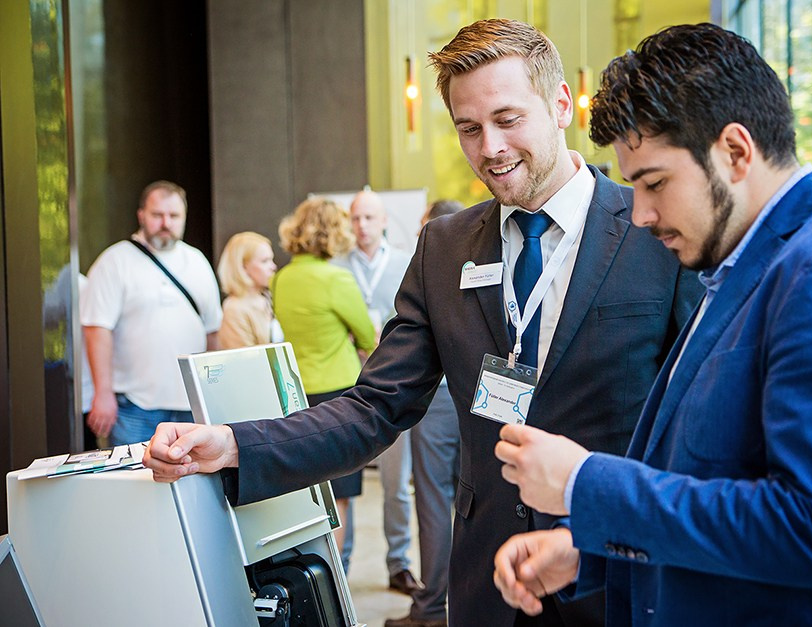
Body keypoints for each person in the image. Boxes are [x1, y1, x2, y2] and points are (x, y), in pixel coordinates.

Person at [144, 19, 700, 627]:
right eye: (469, 128)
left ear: (561, 104)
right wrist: (234, 444)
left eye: (508, 119)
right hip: (488, 585)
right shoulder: (445, 247)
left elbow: (693, 430)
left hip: (616, 580)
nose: (490, 148)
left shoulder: (655, 230)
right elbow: (375, 407)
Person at [492, 23, 812, 626]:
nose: (641, 214)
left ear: (735, 151)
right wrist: (588, 547)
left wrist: (585, 483)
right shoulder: (740, 267)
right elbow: (715, 477)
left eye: (655, 183)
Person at [272, 196, 377, 573]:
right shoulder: (336, 279)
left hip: (296, 393)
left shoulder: (281, 278)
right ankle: (336, 581)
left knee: (307, 495)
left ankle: (311, 580)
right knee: (340, 497)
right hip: (339, 395)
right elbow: (368, 337)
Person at [82, 180, 222, 446]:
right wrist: (102, 393)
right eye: (157, 215)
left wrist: (212, 394)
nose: (166, 223)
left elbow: (212, 332)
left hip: (191, 407)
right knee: (133, 475)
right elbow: (96, 329)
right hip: (134, 408)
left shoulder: (197, 261)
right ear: (141, 215)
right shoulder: (115, 261)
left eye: (174, 216)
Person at [332, 189, 420, 595]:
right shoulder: (336, 268)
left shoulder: (406, 263)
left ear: (384, 221)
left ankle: (399, 563)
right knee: (343, 482)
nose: (362, 225)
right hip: (347, 385)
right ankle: (341, 566)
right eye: (355, 218)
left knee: (396, 482)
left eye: (369, 217)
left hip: (394, 385)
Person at [386, 199, 466, 627]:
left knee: (434, 503)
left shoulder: (432, 263)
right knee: (482, 500)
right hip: (482, 399)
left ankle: (432, 607)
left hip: (436, 400)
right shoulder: (490, 257)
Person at [217, 231, 282, 349]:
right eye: (265, 261)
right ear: (242, 266)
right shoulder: (234, 309)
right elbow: (245, 357)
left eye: (271, 260)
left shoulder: (268, 298)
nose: (273, 267)